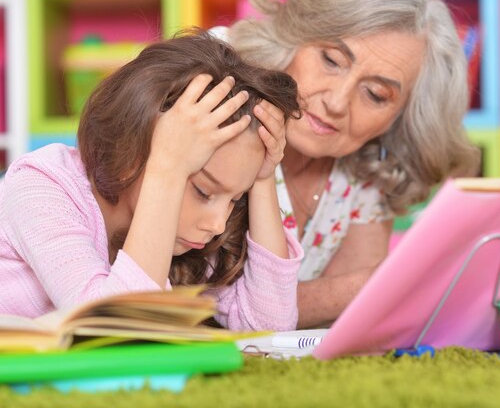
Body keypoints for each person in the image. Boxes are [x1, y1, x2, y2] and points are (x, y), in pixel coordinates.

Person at [0, 29, 304, 331]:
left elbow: (268, 327)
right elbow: (115, 328)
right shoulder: (39, 186)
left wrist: (263, 177)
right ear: (131, 151)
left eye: (235, 199)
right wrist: (167, 168)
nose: (217, 225)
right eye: (203, 191)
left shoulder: (183, 240)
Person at [223, 0, 482, 328]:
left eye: (375, 94)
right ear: (294, 35)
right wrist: (388, 281)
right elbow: (197, 300)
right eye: (331, 60)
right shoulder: (223, 97)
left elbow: (348, 320)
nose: (337, 102)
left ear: (401, 117)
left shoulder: (368, 172)